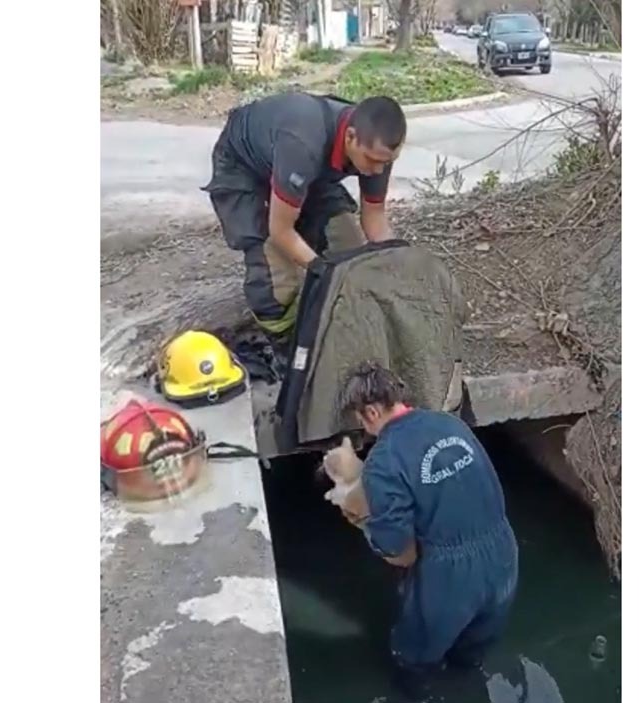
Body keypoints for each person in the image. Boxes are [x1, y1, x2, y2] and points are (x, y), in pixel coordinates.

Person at [336, 361, 519, 700]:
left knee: (414, 657)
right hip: (504, 554)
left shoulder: (383, 461)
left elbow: (400, 554)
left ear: (372, 412)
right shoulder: (449, 423)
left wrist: (363, 521)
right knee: (471, 654)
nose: (362, 426)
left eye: (360, 419)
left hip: (452, 577)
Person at [203, 92, 406, 343]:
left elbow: (374, 218)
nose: (378, 170)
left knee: (350, 250)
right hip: (244, 167)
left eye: (387, 163)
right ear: (350, 136)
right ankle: (282, 344)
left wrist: (396, 264)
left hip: (304, 172)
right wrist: (321, 269)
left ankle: (336, 328)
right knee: (278, 279)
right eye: (373, 161)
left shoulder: (378, 148)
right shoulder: (304, 142)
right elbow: (281, 231)